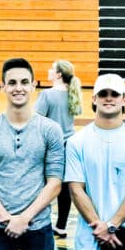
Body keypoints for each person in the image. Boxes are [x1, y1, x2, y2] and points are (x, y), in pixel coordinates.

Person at [0, 58, 64, 250]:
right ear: (2, 86)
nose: (18, 88)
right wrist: (6, 219)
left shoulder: (50, 130)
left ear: (33, 86)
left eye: (24, 82)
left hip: (38, 228)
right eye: (12, 83)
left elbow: (55, 183)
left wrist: (24, 218)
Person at [65, 74, 125, 250]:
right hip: (90, 243)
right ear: (94, 99)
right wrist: (100, 227)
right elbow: (76, 190)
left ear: (124, 100)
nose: (109, 98)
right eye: (103, 93)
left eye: (115, 94)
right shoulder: (76, 142)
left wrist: (111, 225)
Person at [34, 59, 83, 238]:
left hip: (50, 145)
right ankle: (61, 226)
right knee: (64, 189)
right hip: (69, 145)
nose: (48, 70)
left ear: (58, 74)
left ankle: (36, 220)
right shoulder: (73, 93)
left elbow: (36, 121)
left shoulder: (47, 95)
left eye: (52, 69)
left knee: (41, 183)